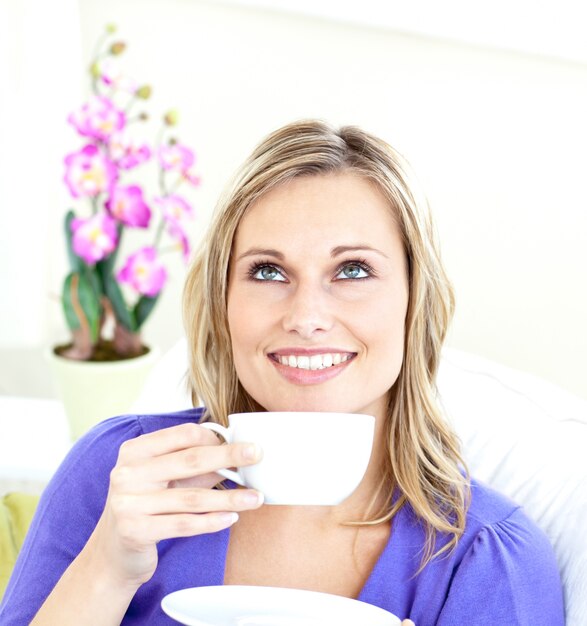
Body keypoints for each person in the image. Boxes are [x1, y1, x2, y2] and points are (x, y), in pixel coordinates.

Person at [0, 120, 564, 625]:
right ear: (223, 303)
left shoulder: (490, 561)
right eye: (267, 271)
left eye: (353, 269)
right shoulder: (115, 477)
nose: (306, 318)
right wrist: (107, 567)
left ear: (416, 302)